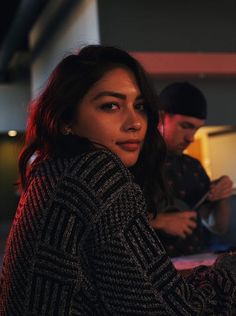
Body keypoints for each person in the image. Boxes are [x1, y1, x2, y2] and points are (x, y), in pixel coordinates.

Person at [0, 46, 235, 315]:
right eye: (110, 106)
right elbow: (169, 309)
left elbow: (136, 289)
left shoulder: (52, 170)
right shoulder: (95, 169)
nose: (134, 122)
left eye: (140, 106)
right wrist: (228, 269)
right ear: (67, 119)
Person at [150, 81, 233, 257]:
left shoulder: (193, 166)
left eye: (196, 129)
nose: (191, 138)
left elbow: (217, 226)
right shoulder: (134, 161)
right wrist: (158, 221)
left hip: (195, 263)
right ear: (160, 118)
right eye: (185, 126)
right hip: (149, 270)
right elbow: (108, 224)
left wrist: (222, 197)